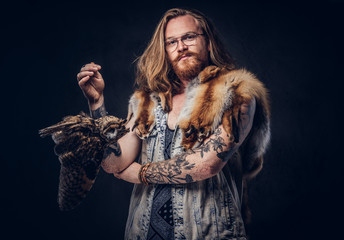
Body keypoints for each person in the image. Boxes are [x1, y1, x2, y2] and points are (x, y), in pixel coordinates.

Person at [76, 8, 270, 240]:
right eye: (171, 42)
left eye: (189, 37)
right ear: (165, 51)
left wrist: (141, 173)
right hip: (143, 233)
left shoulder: (237, 92)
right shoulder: (146, 101)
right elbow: (113, 162)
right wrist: (97, 103)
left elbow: (207, 164)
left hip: (209, 233)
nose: (181, 47)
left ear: (208, 42)